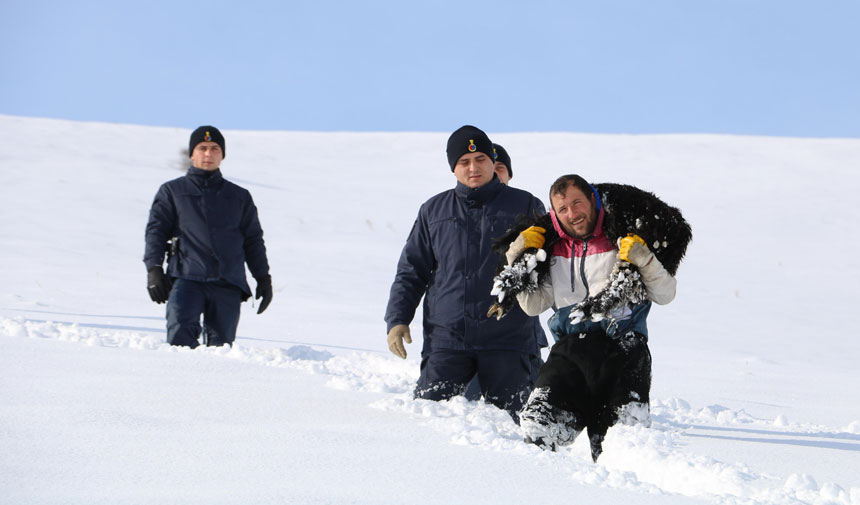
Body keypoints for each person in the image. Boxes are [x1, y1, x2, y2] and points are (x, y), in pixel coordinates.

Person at [508, 174, 677, 460]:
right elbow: (533, 305)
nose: (572, 214)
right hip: (571, 352)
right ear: (554, 214)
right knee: (537, 429)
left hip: (623, 350)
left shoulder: (620, 237)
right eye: (562, 209)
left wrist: (643, 258)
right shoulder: (551, 251)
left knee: (621, 452)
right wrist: (518, 255)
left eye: (577, 203)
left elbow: (665, 294)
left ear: (593, 200)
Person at [384, 125, 545, 421]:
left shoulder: (524, 205)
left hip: (508, 339)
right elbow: (411, 270)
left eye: (481, 159)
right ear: (453, 168)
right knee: (430, 422)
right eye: (464, 162)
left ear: (491, 160)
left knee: (517, 431)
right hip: (447, 339)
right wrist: (397, 319)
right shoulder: (433, 210)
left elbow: (547, 265)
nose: (474, 167)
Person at [144, 126, 273, 348]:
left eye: (214, 149)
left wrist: (263, 277)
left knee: (221, 350)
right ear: (192, 154)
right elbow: (156, 232)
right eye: (202, 148)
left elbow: (253, 240)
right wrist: (153, 269)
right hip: (186, 278)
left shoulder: (239, 197)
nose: (208, 154)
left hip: (228, 282)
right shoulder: (172, 191)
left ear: (222, 155)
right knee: (179, 343)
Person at [463, 142, 547, 402]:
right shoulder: (462, 212)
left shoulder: (527, 206)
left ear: (508, 174)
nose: (495, 174)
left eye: (501, 168)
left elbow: (547, 264)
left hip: (517, 336)